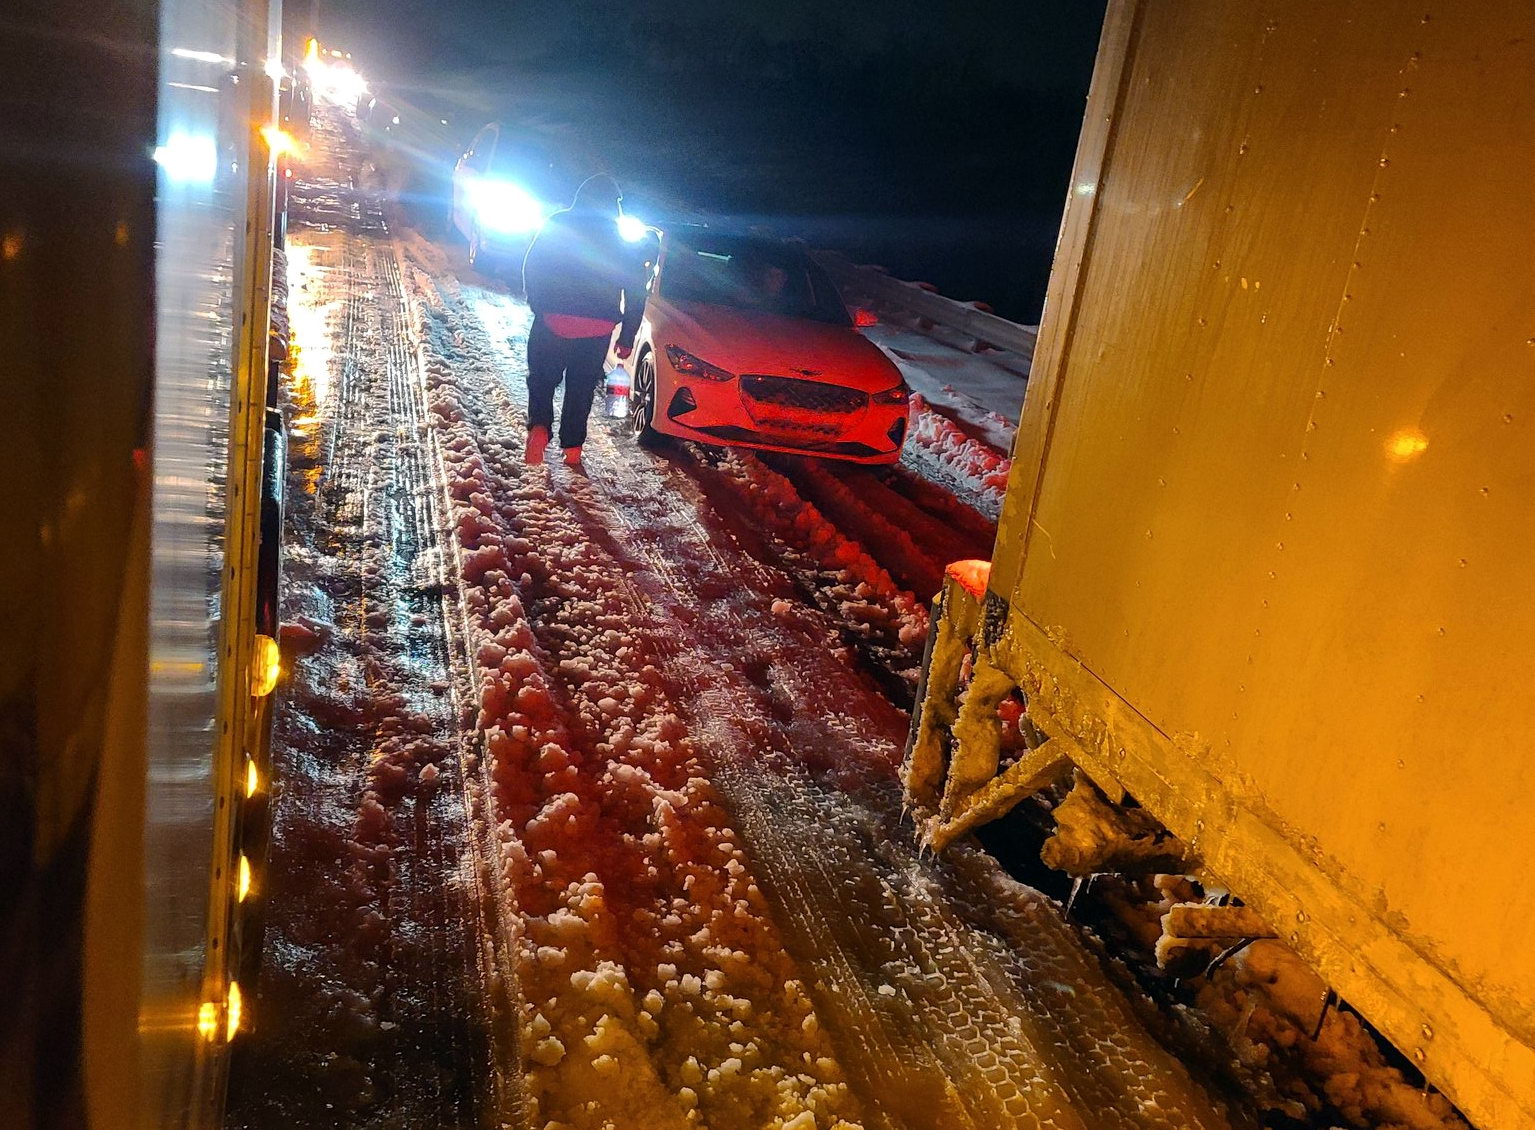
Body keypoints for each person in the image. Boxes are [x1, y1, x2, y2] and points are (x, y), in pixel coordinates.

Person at [520, 174, 649, 467]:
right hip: (596, 328)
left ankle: (539, 427)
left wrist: (538, 304)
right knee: (580, 388)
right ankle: (573, 449)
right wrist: (627, 337)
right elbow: (636, 291)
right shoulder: (622, 240)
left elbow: (533, 264)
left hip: (553, 318)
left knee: (542, 380)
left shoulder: (558, 223)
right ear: (613, 206)